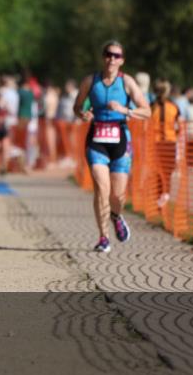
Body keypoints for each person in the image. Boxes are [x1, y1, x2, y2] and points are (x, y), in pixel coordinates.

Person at [73, 41, 150, 252]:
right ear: (103, 57)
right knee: (102, 189)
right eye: (108, 54)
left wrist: (125, 110)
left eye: (116, 56)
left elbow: (147, 111)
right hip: (96, 139)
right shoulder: (91, 81)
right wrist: (83, 114)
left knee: (118, 195)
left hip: (120, 140)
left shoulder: (127, 82)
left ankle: (116, 216)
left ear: (122, 60)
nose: (112, 59)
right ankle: (103, 238)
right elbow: (77, 106)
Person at [150, 78, 181, 210]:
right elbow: (179, 126)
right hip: (170, 143)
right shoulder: (174, 107)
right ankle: (164, 196)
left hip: (155, 143)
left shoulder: (151, 107)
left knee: (157, 172)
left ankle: (159, 198)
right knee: (167, 172)